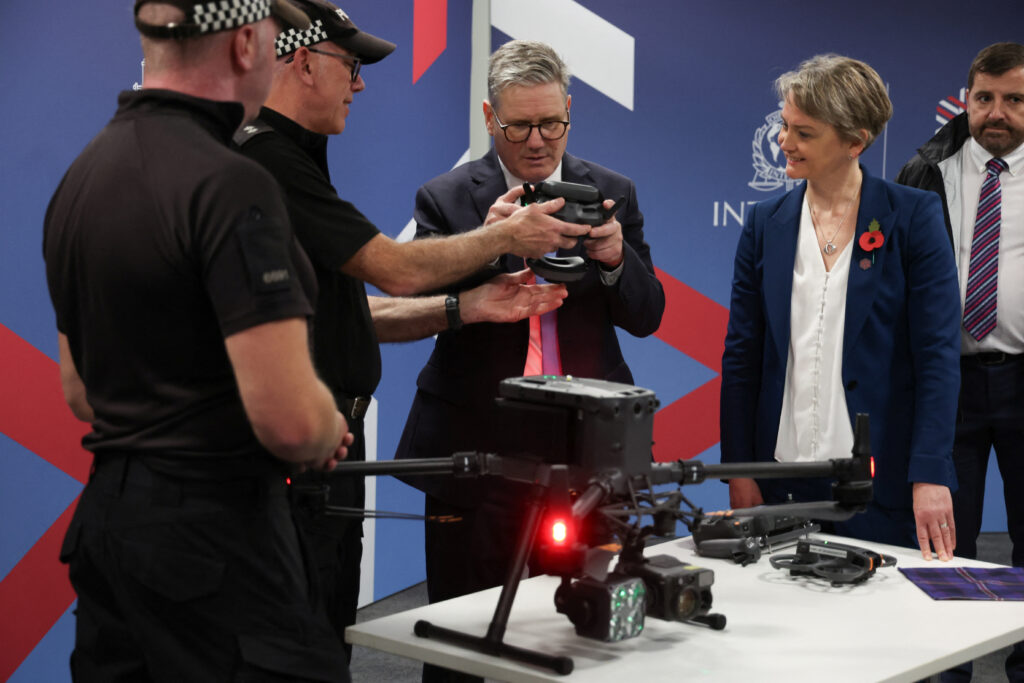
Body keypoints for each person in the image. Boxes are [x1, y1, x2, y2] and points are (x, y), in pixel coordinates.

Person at [235, 2, 575, 661]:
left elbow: (347, 313)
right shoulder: (268, 160)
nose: (359, 84)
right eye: (351, 65)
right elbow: (391, 270)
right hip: (295, 457)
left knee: (328, 632)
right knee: (297, 648)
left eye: (551, 122)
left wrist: (467, 307)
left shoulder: (297, 157)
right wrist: (504, 235)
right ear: (302, 60)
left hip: (334, 454)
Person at [42, 1, 361, 681]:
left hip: (108, 535)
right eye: (276, 41)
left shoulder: (80, 179)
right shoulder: (232, 185)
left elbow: (80, 391)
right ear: (245, 43)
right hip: (219, 546)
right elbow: (289, 421)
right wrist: (325, 421)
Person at [392, 39, 665, 683]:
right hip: (476, 451)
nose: (538, 141)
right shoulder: (448, 197)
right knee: (459, 642)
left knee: (585, 640)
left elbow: (647, 315)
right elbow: (424, 306)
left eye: (552, 123)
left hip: (585, 457)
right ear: (490, 118)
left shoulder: (610, 192)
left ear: (569, 111)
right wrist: (489, 243)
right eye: (518, 126)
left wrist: (617, 258)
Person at [720, 55, 961, 562]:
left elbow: (938, 355)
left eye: (803, 133)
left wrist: (930, 472)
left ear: (856, 141)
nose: (784, 142)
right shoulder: (765, 224)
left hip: (880, 485)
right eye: (785, 126)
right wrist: (739, 471)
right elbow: (742, 358)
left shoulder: (914, 217)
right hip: (780, 480)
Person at [896, 42, 1024, 683]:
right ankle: (949, 671)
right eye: (984, 98)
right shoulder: (926, 172)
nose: (996, 112)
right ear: (966, 99)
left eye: (1014, 99)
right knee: (947, 546)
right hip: (947, 382)